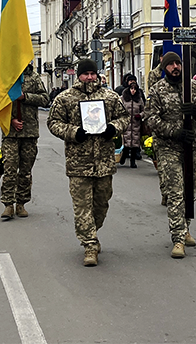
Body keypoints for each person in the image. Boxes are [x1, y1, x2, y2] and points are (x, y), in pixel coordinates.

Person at [47, 59, 129, 267]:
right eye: (86, 74)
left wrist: (113, 128)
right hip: (78, 163)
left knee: (101, 204)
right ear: (78, 75)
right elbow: (53, 122)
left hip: (104, 162)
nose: (90, 77)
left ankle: (92, 231)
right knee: (82, 206)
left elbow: (124, 118)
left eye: (93, 73)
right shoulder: (65, 98)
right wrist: (74, 132)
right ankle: (90, 245)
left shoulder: (110, 97)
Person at [143, 52, 196, 259]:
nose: (175, 67)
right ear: (164, 67)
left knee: (190, 190)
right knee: (175, 193)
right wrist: (174, 131)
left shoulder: (194, 88)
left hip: (193, 147)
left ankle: (185, 228)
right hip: (169, 148)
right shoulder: (158, 91)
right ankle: (177, 238)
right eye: (171, 64)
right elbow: (151, 120)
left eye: (178, 63)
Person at [0, 64, 49, 220]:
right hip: (10, 133)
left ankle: (21, 203)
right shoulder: (6, 78)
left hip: (29, 132)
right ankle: (8, 204)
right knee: (9, 169)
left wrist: (25, 97)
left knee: (25, 171)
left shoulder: (34, 78)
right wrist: (11, 120)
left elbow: (45, 99)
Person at [119, 73, 145, 168]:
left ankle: (133, 161)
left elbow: (144, 110)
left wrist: (140, 115)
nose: (133, 91)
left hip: (136, 123)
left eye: (134, 89)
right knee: (126, 142)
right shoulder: (124, 98)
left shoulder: (139, 99)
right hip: (126, 123)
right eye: (131, 89)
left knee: (134, 143)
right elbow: (119, 108)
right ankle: (123, 156)